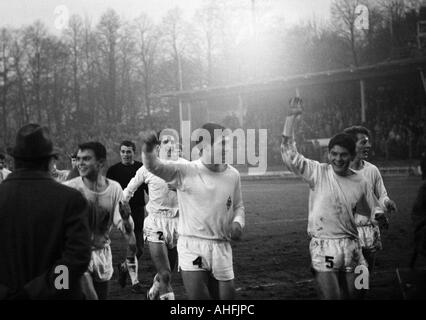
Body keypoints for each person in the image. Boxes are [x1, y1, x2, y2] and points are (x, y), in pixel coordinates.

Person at [280, 98, 384, 300]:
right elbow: (289, 153)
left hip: (353, 248)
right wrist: (291, 118)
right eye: (333, 154)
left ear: (352, 155)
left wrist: (379, 215)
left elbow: (370, 208)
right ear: (328, 154)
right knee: (333, 297)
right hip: (324, 247)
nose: (338, 159)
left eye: (343, 155)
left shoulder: (361, 181)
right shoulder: (317, 172)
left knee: (359, 293)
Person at [141, 123, 245, 300]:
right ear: (205, 145)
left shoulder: (233, 174)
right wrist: (148, 148)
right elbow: (154, 167)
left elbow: (238, 206)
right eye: (223, 143)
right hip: (192, 245)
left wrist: (238, 223)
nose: (228, 148)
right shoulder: (186, 171)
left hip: (222, 247)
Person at [0, 124, 91, 299]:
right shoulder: (70, 200)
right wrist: (44, 289)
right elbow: (76, 260)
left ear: (15, 160)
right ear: (49, 161)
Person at [64, 142, 136, 300]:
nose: (80, 163)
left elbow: (126, 229)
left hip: (102, 252)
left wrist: (125, 219)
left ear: (101, 163)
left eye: (86, 158)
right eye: (78, 158)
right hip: (75, 254)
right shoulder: (69, 189)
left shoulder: (114, 189)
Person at [124, 133, 187, 300]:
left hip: (178, 224)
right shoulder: (147, 168)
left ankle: (152, 292)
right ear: (158, 147)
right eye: (166, 142)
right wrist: (121, 205)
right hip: (155, 223)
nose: (170, 145)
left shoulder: (185, 166)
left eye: (174, 142)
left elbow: (201, 188)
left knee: (167, 273)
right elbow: (128, 191)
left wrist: (181, 187)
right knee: (165, 274)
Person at [343, 126, 397, 276]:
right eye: (363, 142)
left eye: (368, 142)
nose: (368, 146)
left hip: (369, 232)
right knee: (348, 280)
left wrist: (387, 203)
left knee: (364, 280)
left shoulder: (372, 170)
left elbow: (382, 195)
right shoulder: (338, 172)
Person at [106, 141, 147, 293]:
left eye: (128, 151)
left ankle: (123, 267)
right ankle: (135, 283)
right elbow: (108, 191)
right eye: (123, 151)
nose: (125, 154)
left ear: (133, 153)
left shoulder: (141, 168)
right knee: (132, 244)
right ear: (120, 152)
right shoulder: (113, 170)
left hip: (137, 210)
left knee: (140, 249)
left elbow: (149, 187)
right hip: (119, 211)